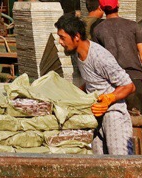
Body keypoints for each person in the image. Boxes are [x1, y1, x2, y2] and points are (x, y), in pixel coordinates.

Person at [55, 12, 136, 155]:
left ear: (76, 37)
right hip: (95, 117)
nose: (60, 42)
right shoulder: (77, 55)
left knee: (120, 164)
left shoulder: (99, 56)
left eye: (62, 37)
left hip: (113, 115)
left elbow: (129, 85)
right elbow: (92, 81)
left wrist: (108, 99)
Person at [91, 0, 142, 150]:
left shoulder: (98, 30)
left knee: (117, 121)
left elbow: (99, 57)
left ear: (101, 8)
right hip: (136, 79)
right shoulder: (133, 25)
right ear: (118, 4)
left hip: (113, 84)